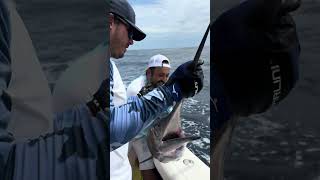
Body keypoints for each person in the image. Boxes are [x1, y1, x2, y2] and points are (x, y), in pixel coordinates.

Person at [0, 0, 204, 179]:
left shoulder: (101, 65)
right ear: (109, 22)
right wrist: (171, 92)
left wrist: (92, 108)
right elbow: (111, 129)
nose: (132, 41)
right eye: (130, 32)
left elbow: (71, 124)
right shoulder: (96, 68)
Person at [127, 54, 171, 180]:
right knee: (148, 163)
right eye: (160, 75)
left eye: (167, 75)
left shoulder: (158, 85)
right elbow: (136, 126)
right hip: (136, 134)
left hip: (148, 129)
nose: (164, 79)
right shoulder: (135, 90)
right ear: (148, 73)